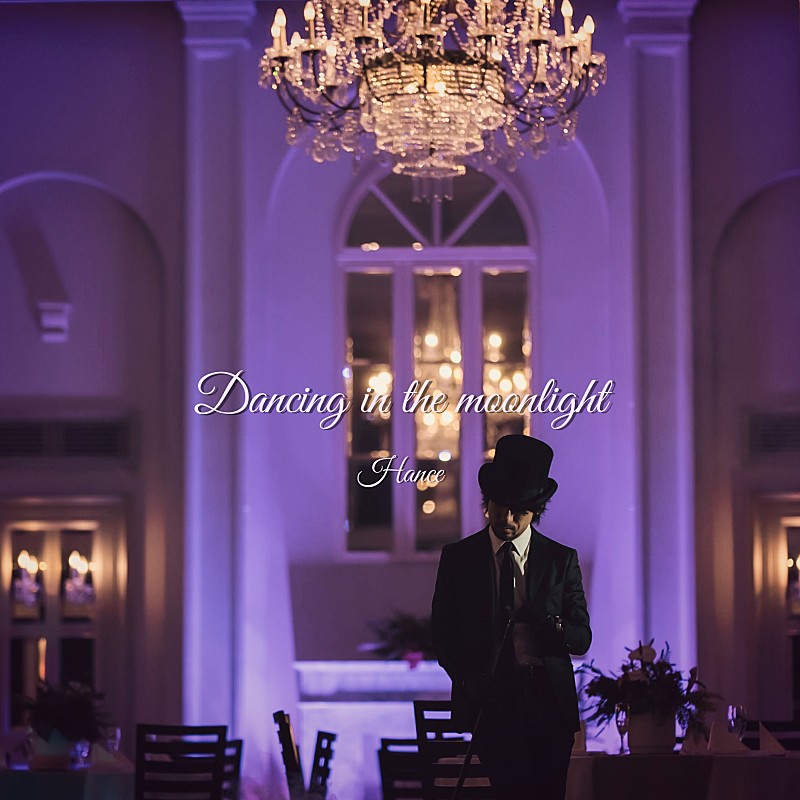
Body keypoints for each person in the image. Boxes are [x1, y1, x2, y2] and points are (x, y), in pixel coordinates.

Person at [431, 434, 591, 800]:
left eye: (519, 511)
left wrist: (551, 624)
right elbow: (443, 634)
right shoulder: (459, 559)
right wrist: (469, 680)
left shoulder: (560, 560)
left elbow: (582, 638)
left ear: (536, 511)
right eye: (500, 507)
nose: (507, 518)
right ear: (487, 502)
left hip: (549, 701)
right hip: (493, 701)